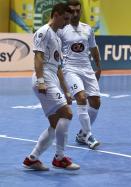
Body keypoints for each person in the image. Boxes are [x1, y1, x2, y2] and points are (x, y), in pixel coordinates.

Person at [23, 3, 80, 170]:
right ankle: (60, 158)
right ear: (56, 15)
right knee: (67, 113)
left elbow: (59, 67)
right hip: (44, 79)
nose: (67, 23)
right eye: (65, 18)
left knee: (55, 124)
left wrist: (66, 90)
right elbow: (38, 58)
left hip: (52, 78)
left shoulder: (56, 36)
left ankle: (32, 158)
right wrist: (41, 81)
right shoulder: (43, 32)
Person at [57, 0, 101, 149]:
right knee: (81, 98)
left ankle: (82, 134)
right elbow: (55, 51)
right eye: (72, 11)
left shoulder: (88, 29)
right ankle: (89, 135)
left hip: (87, 69)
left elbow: (94, 48)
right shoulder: (62, 30)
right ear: (67, 12)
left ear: (80, 11)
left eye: (78, 11)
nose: (75, 14)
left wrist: (99, 67)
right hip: (71, 69)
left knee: (96, 102)